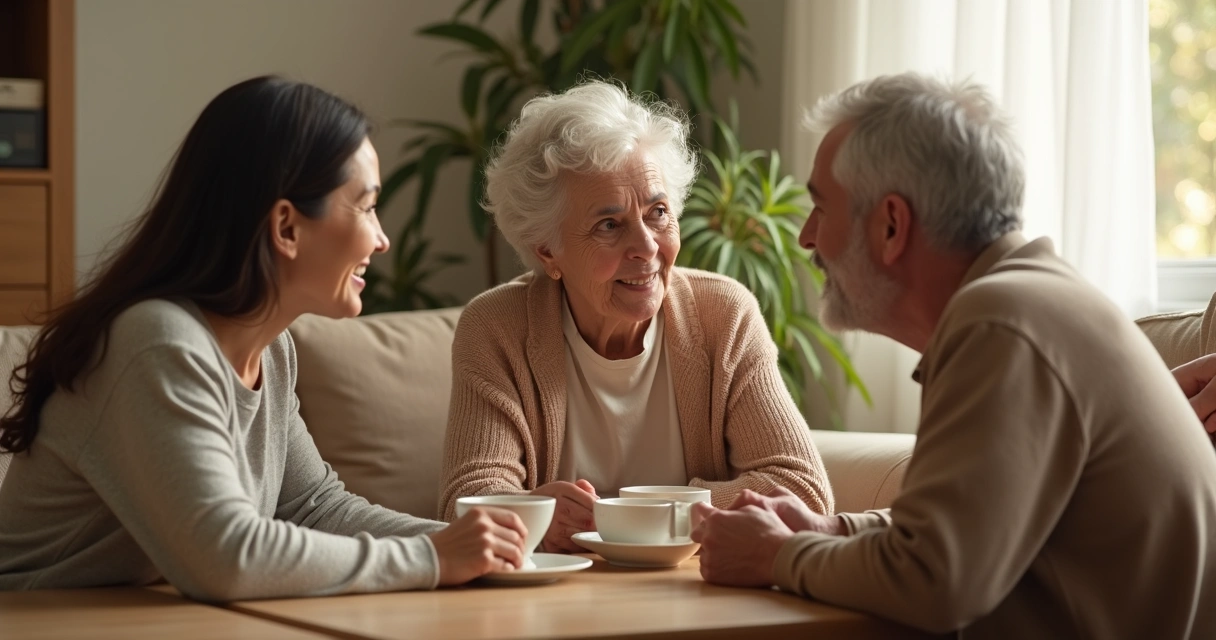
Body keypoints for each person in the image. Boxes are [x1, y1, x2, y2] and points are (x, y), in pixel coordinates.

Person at [690, 72, 1216, 638]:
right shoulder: (1028, 301)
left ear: (892, 225)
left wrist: (776, 557)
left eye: (822, 207)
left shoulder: (1002, 323)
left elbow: (936, 579)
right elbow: (961, 533)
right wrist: (828, 530)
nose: (807, 238)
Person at [0, 76, 527, 600]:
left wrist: (482, 547)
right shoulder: (157, 342)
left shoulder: (270, 349)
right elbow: (225, 557)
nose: (382, 239)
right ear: (287, 228)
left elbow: (314, 508)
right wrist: (433, 558)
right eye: (366, 207)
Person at [438, 80, 833, 554]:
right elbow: (466, 504)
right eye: (609, 225)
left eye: (658, 212)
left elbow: (803, 490)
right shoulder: (497, 327)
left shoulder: (723, 315)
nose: (646, 246)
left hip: (697, 591)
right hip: (552, 601)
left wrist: (631, 513)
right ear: (548, 251)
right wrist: (541, 516)